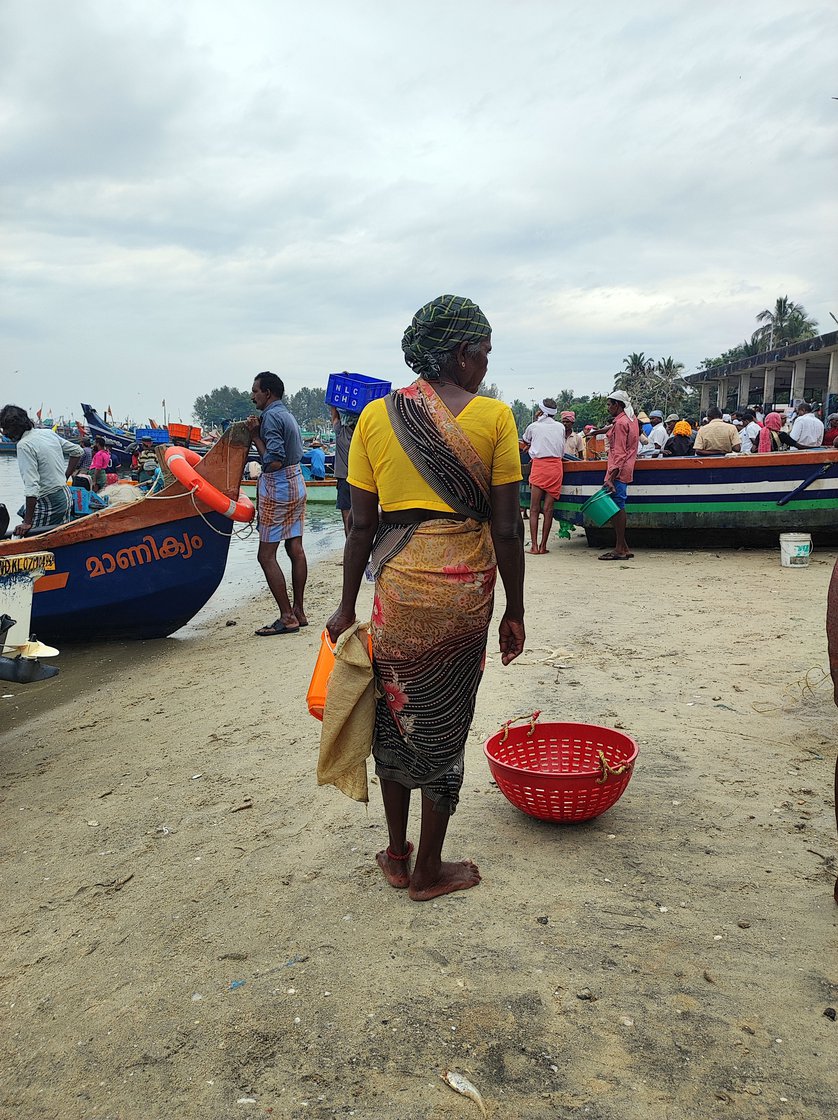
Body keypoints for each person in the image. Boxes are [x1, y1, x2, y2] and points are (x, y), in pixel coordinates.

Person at [326, 294, 525, 902]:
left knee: (397, 714)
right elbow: (508, 528)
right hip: (464, 594)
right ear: (462, 354)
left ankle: (396, 852)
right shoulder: (495, 419)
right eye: (485, 352)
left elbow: (360, 526)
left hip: (396, 590)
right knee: (445, 721)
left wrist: (345, 606)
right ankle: (429, 870)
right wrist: (515, 610)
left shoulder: (374, 418)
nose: (487, 364)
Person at [247, 371, 308, 635]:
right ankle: (299, 611)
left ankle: (287, 616)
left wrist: (254, 436)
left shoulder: (271, 416)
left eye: (255, 391)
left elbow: (273, 460)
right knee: (295, 547)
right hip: (296, 481)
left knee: (265, 555)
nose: (253, 397)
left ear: (267, 393)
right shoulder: (287, 415)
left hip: (279, 485)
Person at [0, 403, 81, 536]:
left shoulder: (24, 445)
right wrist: (64, 477)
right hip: (65, 494)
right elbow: (77, 451)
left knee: (30, 539)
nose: (4, 433)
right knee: (53, 533)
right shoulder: (47, 433)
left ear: (14, 428)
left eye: (5, 429)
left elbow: (31, 486)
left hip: (50, 500)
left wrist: (27, 522)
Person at [522, 399, 565, 554]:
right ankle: (543, 546)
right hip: (555, 467)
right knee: (548, 509)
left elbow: (525, 440)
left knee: (534, 509)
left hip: (539, 466)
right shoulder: (560, 427)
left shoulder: (533, 426)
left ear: (540, 411)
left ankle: (534, 546)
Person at [330, 405, 357, 535]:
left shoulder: (341, 432)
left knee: (346, 515)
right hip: (361, 480)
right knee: (361, 515)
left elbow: (334, 417)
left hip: (344, 479)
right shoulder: (363, 434)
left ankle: (349, 544)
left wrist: (333, 405)